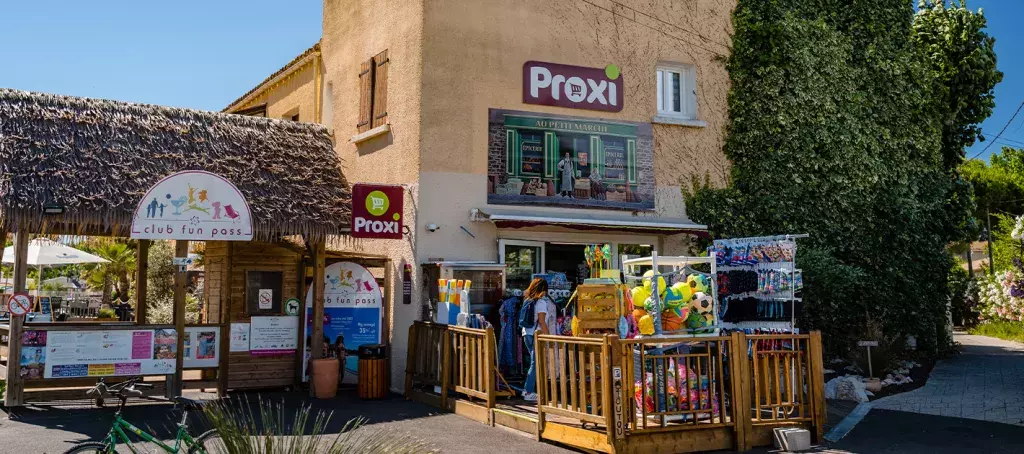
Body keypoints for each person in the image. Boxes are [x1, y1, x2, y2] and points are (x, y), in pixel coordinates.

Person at [521, 277, 557, 402]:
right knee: (535, 363)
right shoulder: (541, 302)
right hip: (536, 335)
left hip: (526, 333)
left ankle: (529, 390)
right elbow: (542, 321)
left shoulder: (527, 300)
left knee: (534, 362)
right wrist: (549, 337)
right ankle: (528, 391)